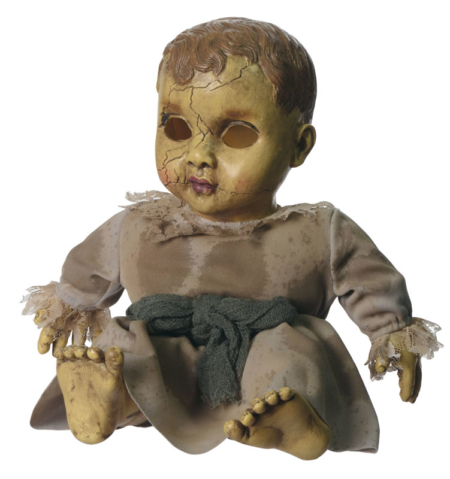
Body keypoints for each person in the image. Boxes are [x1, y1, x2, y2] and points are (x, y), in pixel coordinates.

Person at [22, 17, 442, 460]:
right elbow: (90, 268)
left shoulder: (318, 231)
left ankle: (292, 417)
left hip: (264, 344)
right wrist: (70, 304)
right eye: (176, 127)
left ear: (299, 146)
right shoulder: (142, 224)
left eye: (237, 133)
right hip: (166, 348)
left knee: (292, 353)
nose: (198, 155)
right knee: (128, 352)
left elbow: (370, 281)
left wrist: (392, 334)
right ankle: (111, 399)